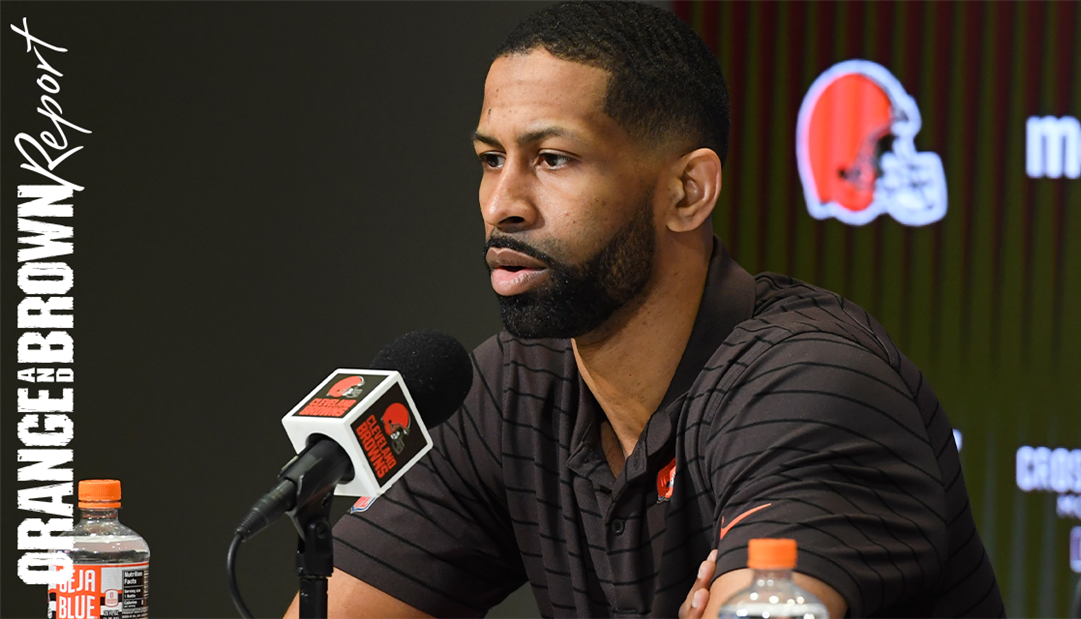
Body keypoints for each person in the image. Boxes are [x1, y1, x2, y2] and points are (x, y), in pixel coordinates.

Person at [284, 1, 1005, 617]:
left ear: (688, 192)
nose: (503, 205)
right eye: (491, 159)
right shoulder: (509, 389)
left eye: (553, 159)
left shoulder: (811, 384)